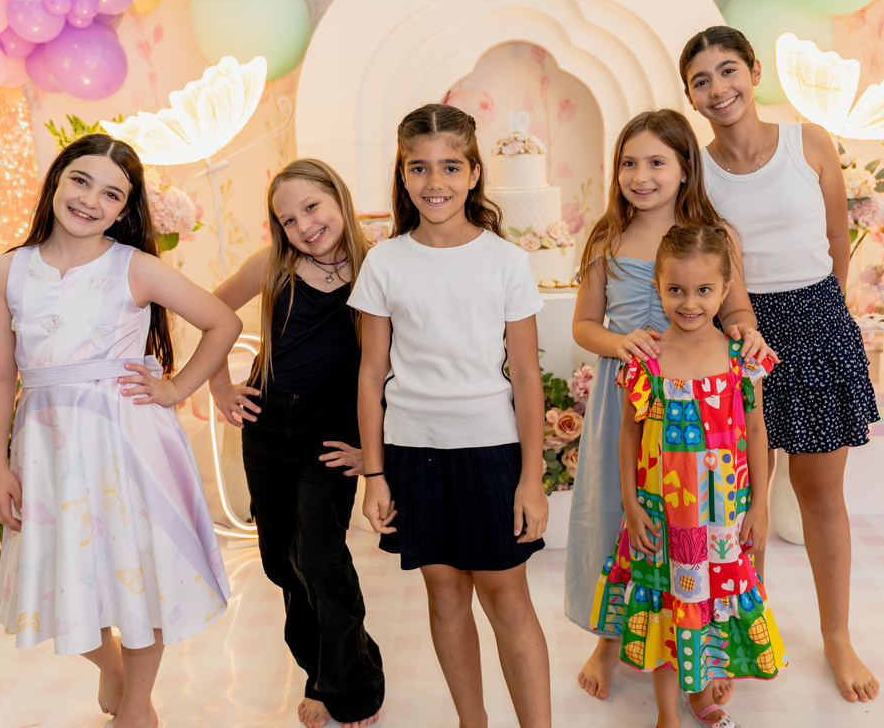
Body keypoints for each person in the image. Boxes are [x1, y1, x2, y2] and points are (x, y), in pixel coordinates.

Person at [0, 134, 241, 728]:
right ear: (56, 180)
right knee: (61, 574)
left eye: (111, 194)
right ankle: (114, 667)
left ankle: (138, 704)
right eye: (80, 180)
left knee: (140, 571)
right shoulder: (8, 271)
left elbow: (222, 322)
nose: (90, 200)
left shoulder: (134, 267)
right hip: (46, 449)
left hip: (127, 443)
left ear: (124, 210)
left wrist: (177, 388)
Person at [680, 25, 881, 703]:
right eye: (701, 80)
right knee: (741, 503)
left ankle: (837, 637)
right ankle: (747, 630)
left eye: (728, 70)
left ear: (754, 72)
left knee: (821, 494)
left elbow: (836, 238)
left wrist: (829, 316)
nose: (718, 89)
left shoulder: (808, 144)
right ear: (690, 96)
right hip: (737, 335)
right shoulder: (696, 171)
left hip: (817, 321)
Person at [351, 103, 552, 728]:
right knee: (443, 594)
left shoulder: (506, 262)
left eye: (449, 167)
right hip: (413, 452)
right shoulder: (385, 262)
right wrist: (375, 475)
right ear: (402, 174)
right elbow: (371, 374)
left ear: (473, 174)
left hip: (492, 452)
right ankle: (473, 723)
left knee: (507, 598)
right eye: (419, 167)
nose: (434, 181)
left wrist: (531, 478)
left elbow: (526, 377)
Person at [564, 109, 774, 700]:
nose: (641, 176)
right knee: (621, 519)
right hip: (631, 397)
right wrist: (620, 343)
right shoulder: (607, 237)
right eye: (629, 163)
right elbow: (584, 324)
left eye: (657, 162)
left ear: (685, 167)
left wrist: (746, 331)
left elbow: (736, 308)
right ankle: (610, 639)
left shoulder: (714, 235)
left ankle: (708, 640)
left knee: (703, 524)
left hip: (700, 405)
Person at [209, 159, 384, 728]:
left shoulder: (377, 269)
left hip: (331, 434)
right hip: (267, 426)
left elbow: (397, 368)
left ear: (339, 197)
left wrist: (374, 451)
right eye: (288, 219)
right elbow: (211, 312)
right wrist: (218, 385)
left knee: (319, 559)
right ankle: (330, 665)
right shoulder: (271, 266)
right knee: (282, 563)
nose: (304, 225)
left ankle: (351, 687)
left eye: (312, 207)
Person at [592, 223, 786, 728]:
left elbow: (757, 432)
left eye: (703, 290)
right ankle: (666, 714)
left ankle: (700, 693)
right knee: (667, 603)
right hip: (662, 517)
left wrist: (759, 506)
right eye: (676, 289)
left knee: (706, 604)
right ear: (657, 286)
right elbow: (630, 434)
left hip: (721, 518)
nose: (690, 302)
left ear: (725, 290)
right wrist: (631, 504)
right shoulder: (647, 359)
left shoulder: (742, 359)